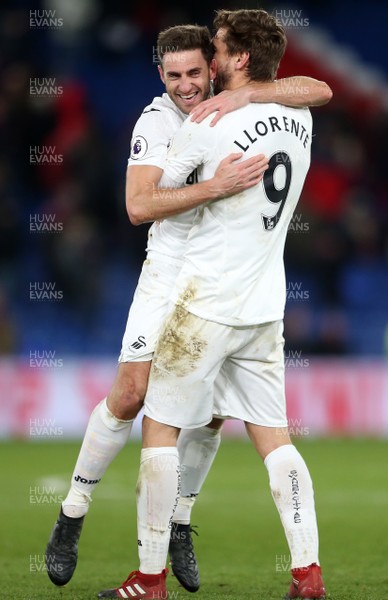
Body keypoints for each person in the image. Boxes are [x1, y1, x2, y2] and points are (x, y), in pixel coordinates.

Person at [45, 20, 331, 596]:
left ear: (222, 63)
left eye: (200, 68)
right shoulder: (168, 120)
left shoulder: (216, 117)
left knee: (187, 421)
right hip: (199, 285)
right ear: (161, 76)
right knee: (133, 395)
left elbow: (310, 87)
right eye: (173, 75)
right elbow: (139, 205)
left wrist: (248, 94)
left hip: (206, 294)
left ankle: (167, 542)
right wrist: (215, 184)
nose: (186, 84)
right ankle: (73, 512)